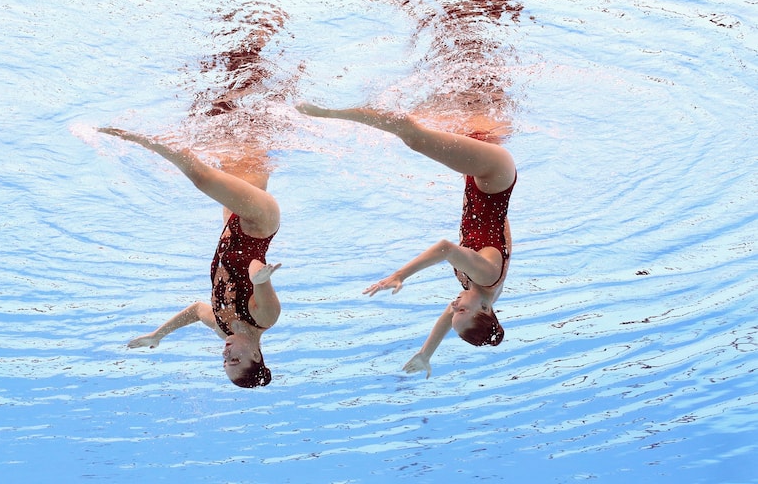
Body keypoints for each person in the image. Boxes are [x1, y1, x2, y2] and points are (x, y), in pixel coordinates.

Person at [296, 102, 516, 379]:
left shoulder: (480, 294)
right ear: (484, 309)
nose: (453, 306)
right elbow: (446, 248)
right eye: (460, 309)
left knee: (471, 107)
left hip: (481, 181)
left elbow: (449, 319)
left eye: (455, 310)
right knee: (414, 138)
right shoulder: (486, 276)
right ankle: (333, 111)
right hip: (492, 176)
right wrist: (400, 275)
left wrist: (426, 354)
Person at [98, 127, 281, 388]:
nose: (225, 355)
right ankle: (142, 135)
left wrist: (157, 335)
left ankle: (251, 112)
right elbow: (256, 268)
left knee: (242, 149)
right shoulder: (265, 317)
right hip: (258, 224)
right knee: (202, 178)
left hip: (232, 225)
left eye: (224, 362)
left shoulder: (222, 328)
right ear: (255, 354)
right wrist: (258, 278)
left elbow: (196, 310)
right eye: (235, 361)